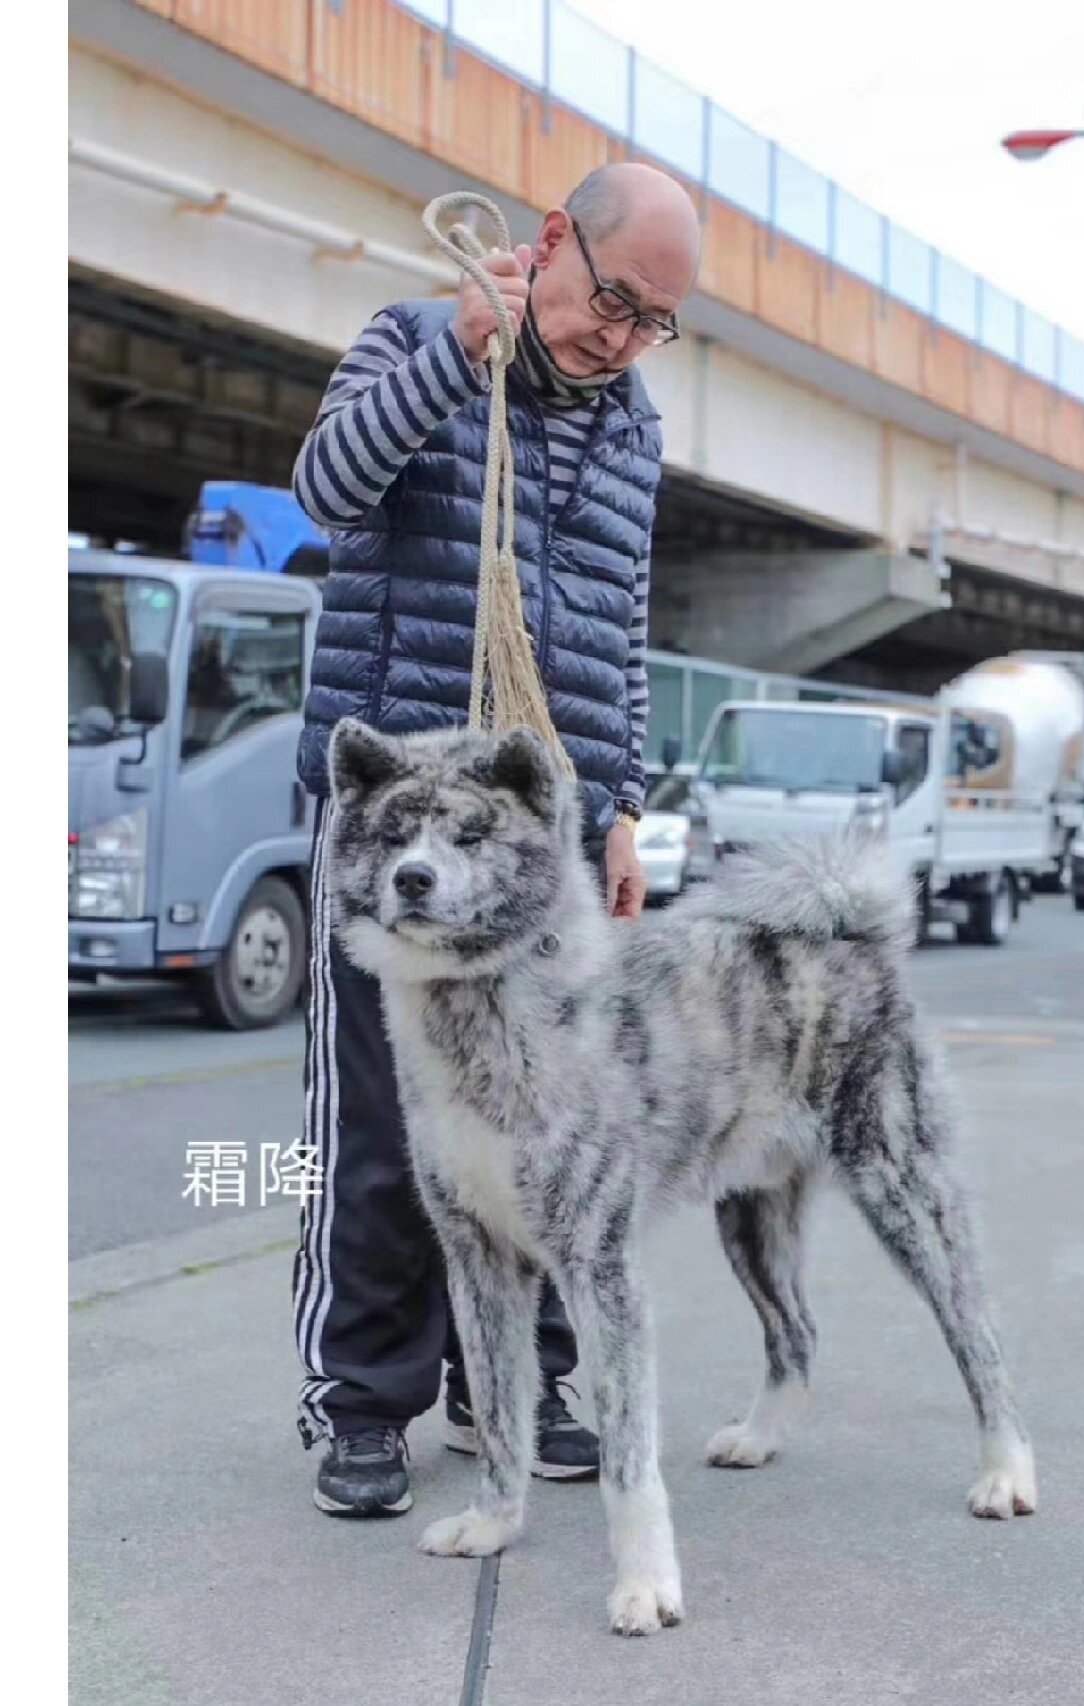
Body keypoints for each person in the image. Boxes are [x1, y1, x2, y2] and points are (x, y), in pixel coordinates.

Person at [290, 163, 702, 1516]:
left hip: (539, 850)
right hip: (397, 827)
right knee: (384, 1128)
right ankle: (361, 1402)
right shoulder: (418, 337)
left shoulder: (632, 424)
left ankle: (508, 1383)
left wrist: (624, 804)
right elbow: (327, 492)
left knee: (545, 1124)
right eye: (613, 299)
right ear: (552, 243)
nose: (620, 335)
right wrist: (465, 354)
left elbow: (617, 636)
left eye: (653, 321)